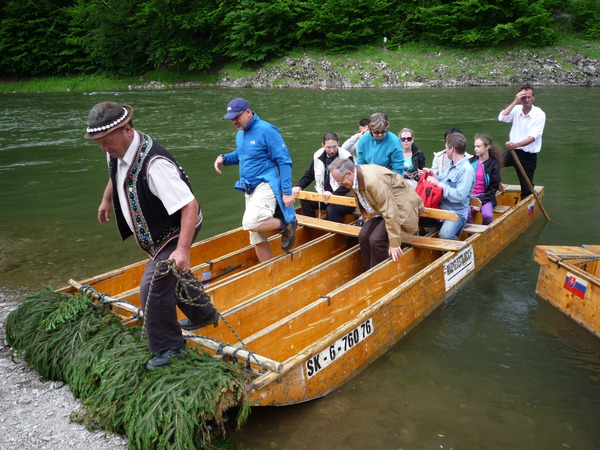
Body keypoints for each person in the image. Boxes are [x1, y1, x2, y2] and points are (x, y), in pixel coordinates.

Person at [86, 101, 218, 371]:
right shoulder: (116, 149)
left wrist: (183, 250)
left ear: (127, 130)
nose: (103, 148)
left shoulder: (155, 165)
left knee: (152, 285)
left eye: (107, 141)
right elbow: (116, 174)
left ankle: (171, 347)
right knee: (171, 272)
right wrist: (106, 200)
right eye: (99, 143)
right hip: (158, 233)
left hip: (178, 227)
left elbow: (189, 206)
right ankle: (204, 314)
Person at [215, 98, 297, 263]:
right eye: (230, 118)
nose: (233, 121)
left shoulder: (267, 130)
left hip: (265, 183)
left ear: (247, 112)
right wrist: (224, 158)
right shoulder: (241, 134)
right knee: (257, 238)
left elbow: (284, 161)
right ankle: (267, 272)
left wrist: (287, 192)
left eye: (236, 117)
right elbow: (242, 155)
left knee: (251, 221)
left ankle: (286, 224)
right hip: (249, 188)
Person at [329, 158, 424, 270]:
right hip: (383, 211)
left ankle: (380, 275)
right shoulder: (353, 179)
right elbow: (366, 205)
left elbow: (390, 210)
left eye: (339, 181)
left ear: (349, 174)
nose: (339, 184)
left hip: (402, 210)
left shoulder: (373, 182)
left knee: (376, 240)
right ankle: (370, 271)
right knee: (363, 236)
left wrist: (394, 243)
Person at [292, 132, 356, 222]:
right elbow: (310, 174)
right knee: (305, 200)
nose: (332, 150)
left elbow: (349, 183)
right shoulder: (318, 155)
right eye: (328, 147)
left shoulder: (345, 157)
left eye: (334, 146)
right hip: (324, 195)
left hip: (344, 196)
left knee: (332, 209)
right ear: (323, 145)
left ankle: (337, 233)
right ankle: (310, 228)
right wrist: (299, 186)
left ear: (338, 143)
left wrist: (333, 195)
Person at [498, 83, 546, 199]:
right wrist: (515, 101)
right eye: (524, 97)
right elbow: (502, 117)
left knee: (527, 188)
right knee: (491, 164)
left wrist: (516, 144)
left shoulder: (539, 114)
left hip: (528, 156)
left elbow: (533, 137)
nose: (527, 100)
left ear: (533, 98)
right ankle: (493, 187)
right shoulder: (516, 109)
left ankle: (526, 206)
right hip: (512, 153)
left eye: (529, 97)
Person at [425, 132, 475, 240]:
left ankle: (453, 253)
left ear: (452, 149)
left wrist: (438, 184)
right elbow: (442, 180)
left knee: (445, 235)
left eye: (446, 148)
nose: (445, 151)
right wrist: (431, 174)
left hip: (456, 213)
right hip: (441, 208)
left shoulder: (466, 170)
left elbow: (459, 196)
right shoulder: (450, 164)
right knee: (413, 219)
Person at [467, 134, 502, 225]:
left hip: (485, 197)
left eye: (478, 146)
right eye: (475, 146)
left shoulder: (493, 165)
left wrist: (480, 203)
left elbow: (494, 187)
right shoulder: (470, 162)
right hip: (469, 197)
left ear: (487, 147)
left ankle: (484, 233)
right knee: (465, 214)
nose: (475, 149)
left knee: (487, 216)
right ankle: (473, 236)